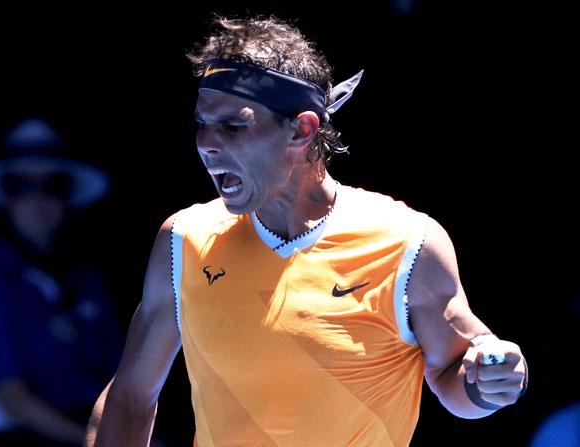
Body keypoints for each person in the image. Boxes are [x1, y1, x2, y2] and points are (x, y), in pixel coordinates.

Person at [86, 17, 528, 447]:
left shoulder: (410, 243)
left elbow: (457, 377)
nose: (207, 143)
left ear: (301, 129)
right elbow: (129, 397)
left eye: (233, 125)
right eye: (202, 123)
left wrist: (489, 382)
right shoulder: (183, 239)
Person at [0, 119, 122, 446]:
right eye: (21, 186)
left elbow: (118, 377)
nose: (39, 199)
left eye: (54, 185)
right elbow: (11, 399)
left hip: (94, 424)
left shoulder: (87, 281)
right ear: (5, 197)